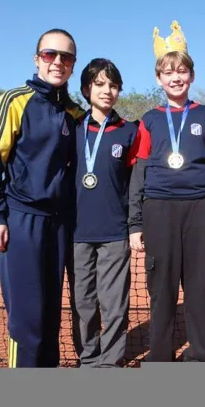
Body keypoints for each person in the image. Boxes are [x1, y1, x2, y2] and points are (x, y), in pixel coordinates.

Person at [128, 20, 205, 362]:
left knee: (198, 288)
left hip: (200, 210)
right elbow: (138, 173)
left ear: (191, 75)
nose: (176, 77)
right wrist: (135, 224)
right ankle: (160, 355)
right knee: (161, 288)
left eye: (182, 71)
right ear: (159, 78)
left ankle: (198, 356)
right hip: (158, 210)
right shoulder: (149, 120)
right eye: (168, 72)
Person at [0, 28, 84, 368]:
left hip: (60, 224)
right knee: (27, 320)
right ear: (36, 59)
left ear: (72, 64)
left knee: (51, 316)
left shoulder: (74, 113)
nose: (58, 62)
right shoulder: (13, 101)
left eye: (66, 57)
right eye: (50, 54)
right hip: (21, 219)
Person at [69, 58, 140, 368]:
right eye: (99, 84)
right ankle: (88, 357)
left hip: (114, 232)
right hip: (76, 233)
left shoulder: (130, 132)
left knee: (114, 304)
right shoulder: (71, 129)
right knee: (83, 303)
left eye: (113, 85)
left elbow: (135, 184)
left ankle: (110, 362)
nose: (107, 90)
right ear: (86, 89)